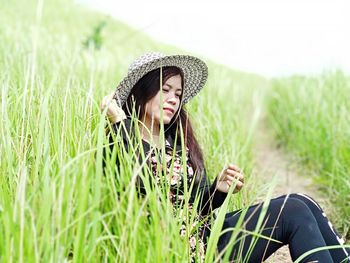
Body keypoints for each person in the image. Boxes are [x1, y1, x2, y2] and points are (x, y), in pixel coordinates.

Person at [100, 52, 350, 262]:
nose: (173, 100)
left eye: (177, 94)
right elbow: (145, 191)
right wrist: (119, 122)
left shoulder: (174, 142)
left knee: (297, 202)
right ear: (143, 91)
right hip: (184, 251)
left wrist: (218, 189)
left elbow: (193, 207)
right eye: (165, 90)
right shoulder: (119, 142)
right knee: (294, 208)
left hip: (207, 235)